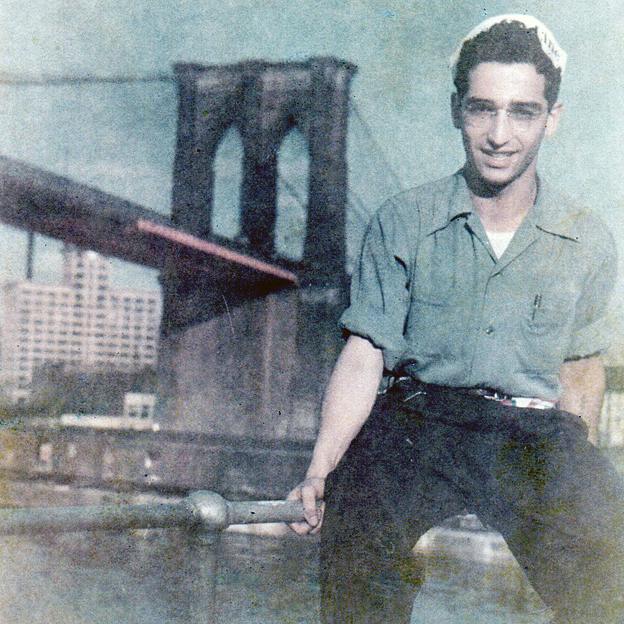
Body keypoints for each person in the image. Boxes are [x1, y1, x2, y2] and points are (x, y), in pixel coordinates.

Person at [288, 14, 624, 624]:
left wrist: (580, 482)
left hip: (530, 434)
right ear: (456, 111)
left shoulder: (587, 240)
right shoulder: (402, 221)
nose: (499, 134)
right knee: (356, 548)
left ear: (553, 119)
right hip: (420, 421)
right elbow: (365, 354)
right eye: (482, 109)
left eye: (523, 112)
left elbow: (580, 374)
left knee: (611, 564)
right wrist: (321, 467)